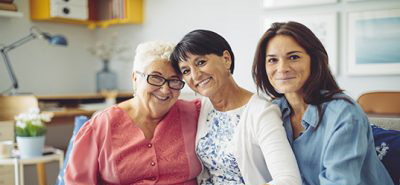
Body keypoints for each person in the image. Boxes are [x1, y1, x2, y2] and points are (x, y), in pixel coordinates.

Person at [252, 21, 394, 185]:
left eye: (293, 57)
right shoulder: (272, 111)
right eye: (272, 60)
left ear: (315, 60)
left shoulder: (343, 113)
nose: (282, 68)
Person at [170, 29, 301, 185]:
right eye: (186, 71)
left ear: (226, 59)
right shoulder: (202, 107)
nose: (195, 75)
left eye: (201, 62)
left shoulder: (262, 112)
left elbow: (288, 180)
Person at [65, 41, 202, 185]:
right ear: (135, 78)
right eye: (155, 77)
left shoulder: (195, 114)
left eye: (174, 81)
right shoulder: (100, 126)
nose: (165, 90)